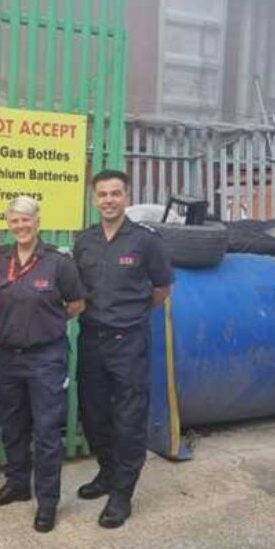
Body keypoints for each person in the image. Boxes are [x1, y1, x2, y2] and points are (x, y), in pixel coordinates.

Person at [73, 169, 173, 529]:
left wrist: (130, 314)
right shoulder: (84, 241)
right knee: (93, 413)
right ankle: (106, 472)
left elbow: (161, 290)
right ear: (94, 199)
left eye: (116, 193)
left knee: (129, 419)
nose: (109, 200)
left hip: (128, 341)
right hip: (91, 340)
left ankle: (121, 495)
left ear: (126, 196)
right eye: (102, 194)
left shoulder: (146, 241)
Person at [0, 196, 85, 533]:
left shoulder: (58, 262)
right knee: (12, 425)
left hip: (45, 358)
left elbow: (77, 303)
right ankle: (17, 484)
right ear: (8, 224)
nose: (21, 226)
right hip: (8, 356)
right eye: (15, 221)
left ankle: (48, 502)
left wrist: (49, 322)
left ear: (37, 222)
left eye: (27, 220)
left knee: (46, 432)